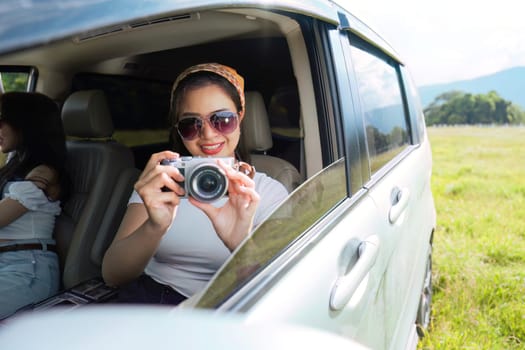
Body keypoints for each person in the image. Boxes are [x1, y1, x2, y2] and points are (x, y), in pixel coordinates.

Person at [102, 63, 288, 304]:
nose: (208, 134)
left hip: (216, 313)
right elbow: (113, 276)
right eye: (191, 124)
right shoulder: (164, 181)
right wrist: (155, 226)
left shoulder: (267, 192)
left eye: (222, 120)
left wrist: (240, 243)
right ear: (179, 130)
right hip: (144, 302)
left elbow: (275, 297)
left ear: (240, 117)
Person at [0, 92, 69, 319]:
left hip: (26, 270)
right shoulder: (16, 164)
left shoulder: (44, 173)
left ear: (25, 124)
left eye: (2, 120)